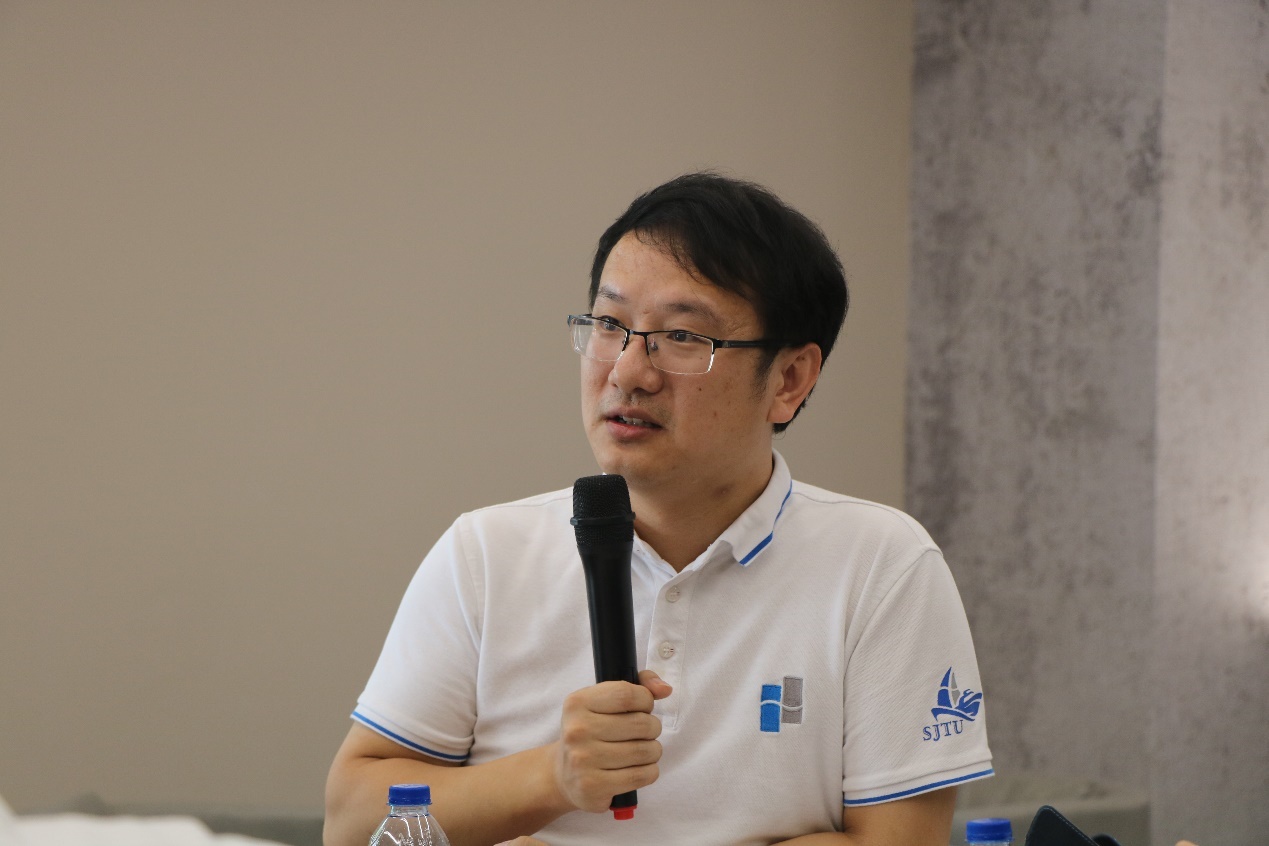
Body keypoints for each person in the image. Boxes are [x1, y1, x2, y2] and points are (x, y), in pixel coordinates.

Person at [324, 172, 993, 846]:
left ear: (789, 380)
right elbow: (351, 822)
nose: (627, 372)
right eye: (609, 325)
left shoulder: (881, 566)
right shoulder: (486, 554)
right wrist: (551, 776)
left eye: (681, 337)